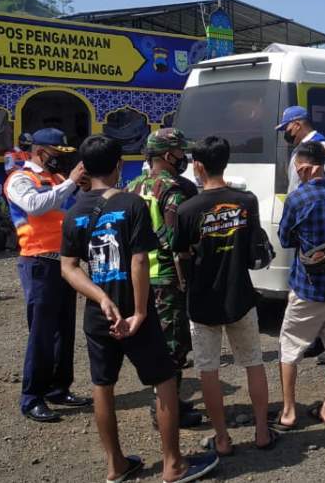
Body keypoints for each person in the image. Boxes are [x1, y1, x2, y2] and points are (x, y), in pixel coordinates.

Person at [59, 135, 218, 483]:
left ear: (84, 168)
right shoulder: (131, 205)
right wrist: (141, 313)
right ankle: (173, 464)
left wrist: (100, 298)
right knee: (162, 381)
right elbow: (139, 262)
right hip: (135, 310)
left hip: (99, 314)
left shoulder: (73, 213)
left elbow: (68, 267)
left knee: (103, 385)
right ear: (118, 165)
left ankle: (115, 465)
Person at [175, 136, 277, 454]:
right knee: (254, 363)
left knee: (208, 369)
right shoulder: (246, 202)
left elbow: (180, 254)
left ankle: (221, 438)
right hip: (240, 296)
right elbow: (252, 252)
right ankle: (262, 432)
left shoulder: (187, 209)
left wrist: (184, 281)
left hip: (202, 299)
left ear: (199, 166)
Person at [4, 127, 91, 423]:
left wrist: (83, 188)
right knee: (41, 332)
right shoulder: (19, 179)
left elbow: (70, 210)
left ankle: (58, 388)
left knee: (64, 330)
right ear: (40, 152)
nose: (60, 160)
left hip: (64, 263)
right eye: (57, 154)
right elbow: (36, 206)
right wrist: (69, 183)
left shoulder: (56, 180)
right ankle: (32, 398)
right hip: (38, 262)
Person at [125, 128, 204, 429]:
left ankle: (169, 402)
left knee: (157, 341)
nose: (185, 157)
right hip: (169, 278)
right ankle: (165, 411)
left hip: (141, 276)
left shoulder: (133, 186)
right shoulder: (174, 188)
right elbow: (178, 239)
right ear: (168, 155)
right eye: (182, 152)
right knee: (174, 346)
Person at [275, 141, 325, 428]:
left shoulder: (297, 200)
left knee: (289, 347)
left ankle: (288, 412)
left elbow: (285, 239)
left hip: (307, 287)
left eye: (301, 170)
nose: (300, 175)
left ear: (312, 166)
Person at [276, 105, 325, 364]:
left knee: (319, 293)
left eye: (286, 127)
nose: (286, 133)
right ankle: (321, 343)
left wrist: (313, 207)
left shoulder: (322, 147)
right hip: (306, 223)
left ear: (297, 123)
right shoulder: (305, 147)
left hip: (315, 230)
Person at [276, 106, 325, 192]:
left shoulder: (321, 145)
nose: (286, 133)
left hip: (310, 204)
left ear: (297, 125)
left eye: (286, 128)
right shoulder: (301, 146)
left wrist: (321, 201)